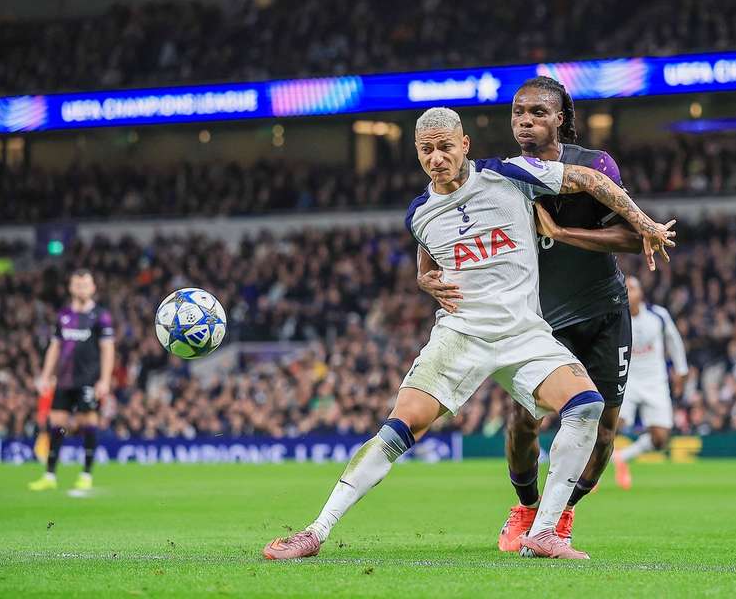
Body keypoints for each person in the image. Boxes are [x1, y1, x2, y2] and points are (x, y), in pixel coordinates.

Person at [263, 107, 674, 561]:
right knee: (402, 425)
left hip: (523, 333)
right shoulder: (419, 213)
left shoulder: (509, 175)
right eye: (427, 150)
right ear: (417, 154)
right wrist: (424, 278)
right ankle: (315, 532)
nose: (437, 157)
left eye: (445, 147)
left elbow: (591, 180)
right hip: (462, 333)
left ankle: (544, 531)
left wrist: (643, 223)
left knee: (586, 405)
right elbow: (427, 252)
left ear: (464, 146)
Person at [417, 76, 673, 551]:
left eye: (538, 113)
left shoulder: (594, 164)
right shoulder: (503, 175)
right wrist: (425, 274)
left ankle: (561, 515)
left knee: (604, 430)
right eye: (518, 113)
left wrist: (561, 232)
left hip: (603, 311)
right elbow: (440, 217)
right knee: (523, 421)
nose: (525, 122)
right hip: (542, 319)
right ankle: (526, 509)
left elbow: (630, 238)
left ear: (560, 119)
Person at [28, 269, 114, 491]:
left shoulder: (100, 316)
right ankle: (49, 475)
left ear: (93, 287)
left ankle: (86, 474)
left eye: (85, 285)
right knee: (56, 424)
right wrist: (46, 375)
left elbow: (107, 349)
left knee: (89, 424)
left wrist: (104, 380)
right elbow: (55, 347)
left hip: (88, 379)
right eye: (77, 285)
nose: (81, 289)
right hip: (64, 380)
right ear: (71, 287)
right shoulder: (63, 315)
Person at [613, 276, 688, 489]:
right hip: (626, 380)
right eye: (625, 288)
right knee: (612, 428)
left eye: (633, 288)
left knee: (661, 439)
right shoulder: (616, 316)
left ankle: (622, 457)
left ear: (641, 293)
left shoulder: (658, 315)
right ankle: (591, 474)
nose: (629, 291)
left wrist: (681, 372)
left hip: (655, 381)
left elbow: (675, 342)